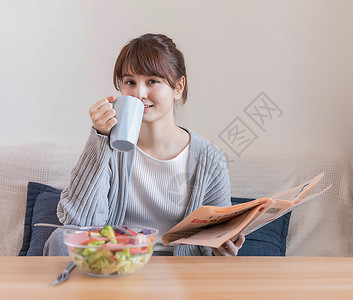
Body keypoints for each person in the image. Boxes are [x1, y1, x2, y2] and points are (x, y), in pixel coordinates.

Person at [44, 33, 245, 256]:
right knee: (61, 239)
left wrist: (223, 250)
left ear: (178, 87)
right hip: (115, 267)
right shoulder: (109, 146)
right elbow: (79, 222)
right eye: (130, 82)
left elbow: (216, 238)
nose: (139, 93)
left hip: (180, 276)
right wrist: (100, 138)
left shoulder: (209, 158)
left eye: (152, 81)